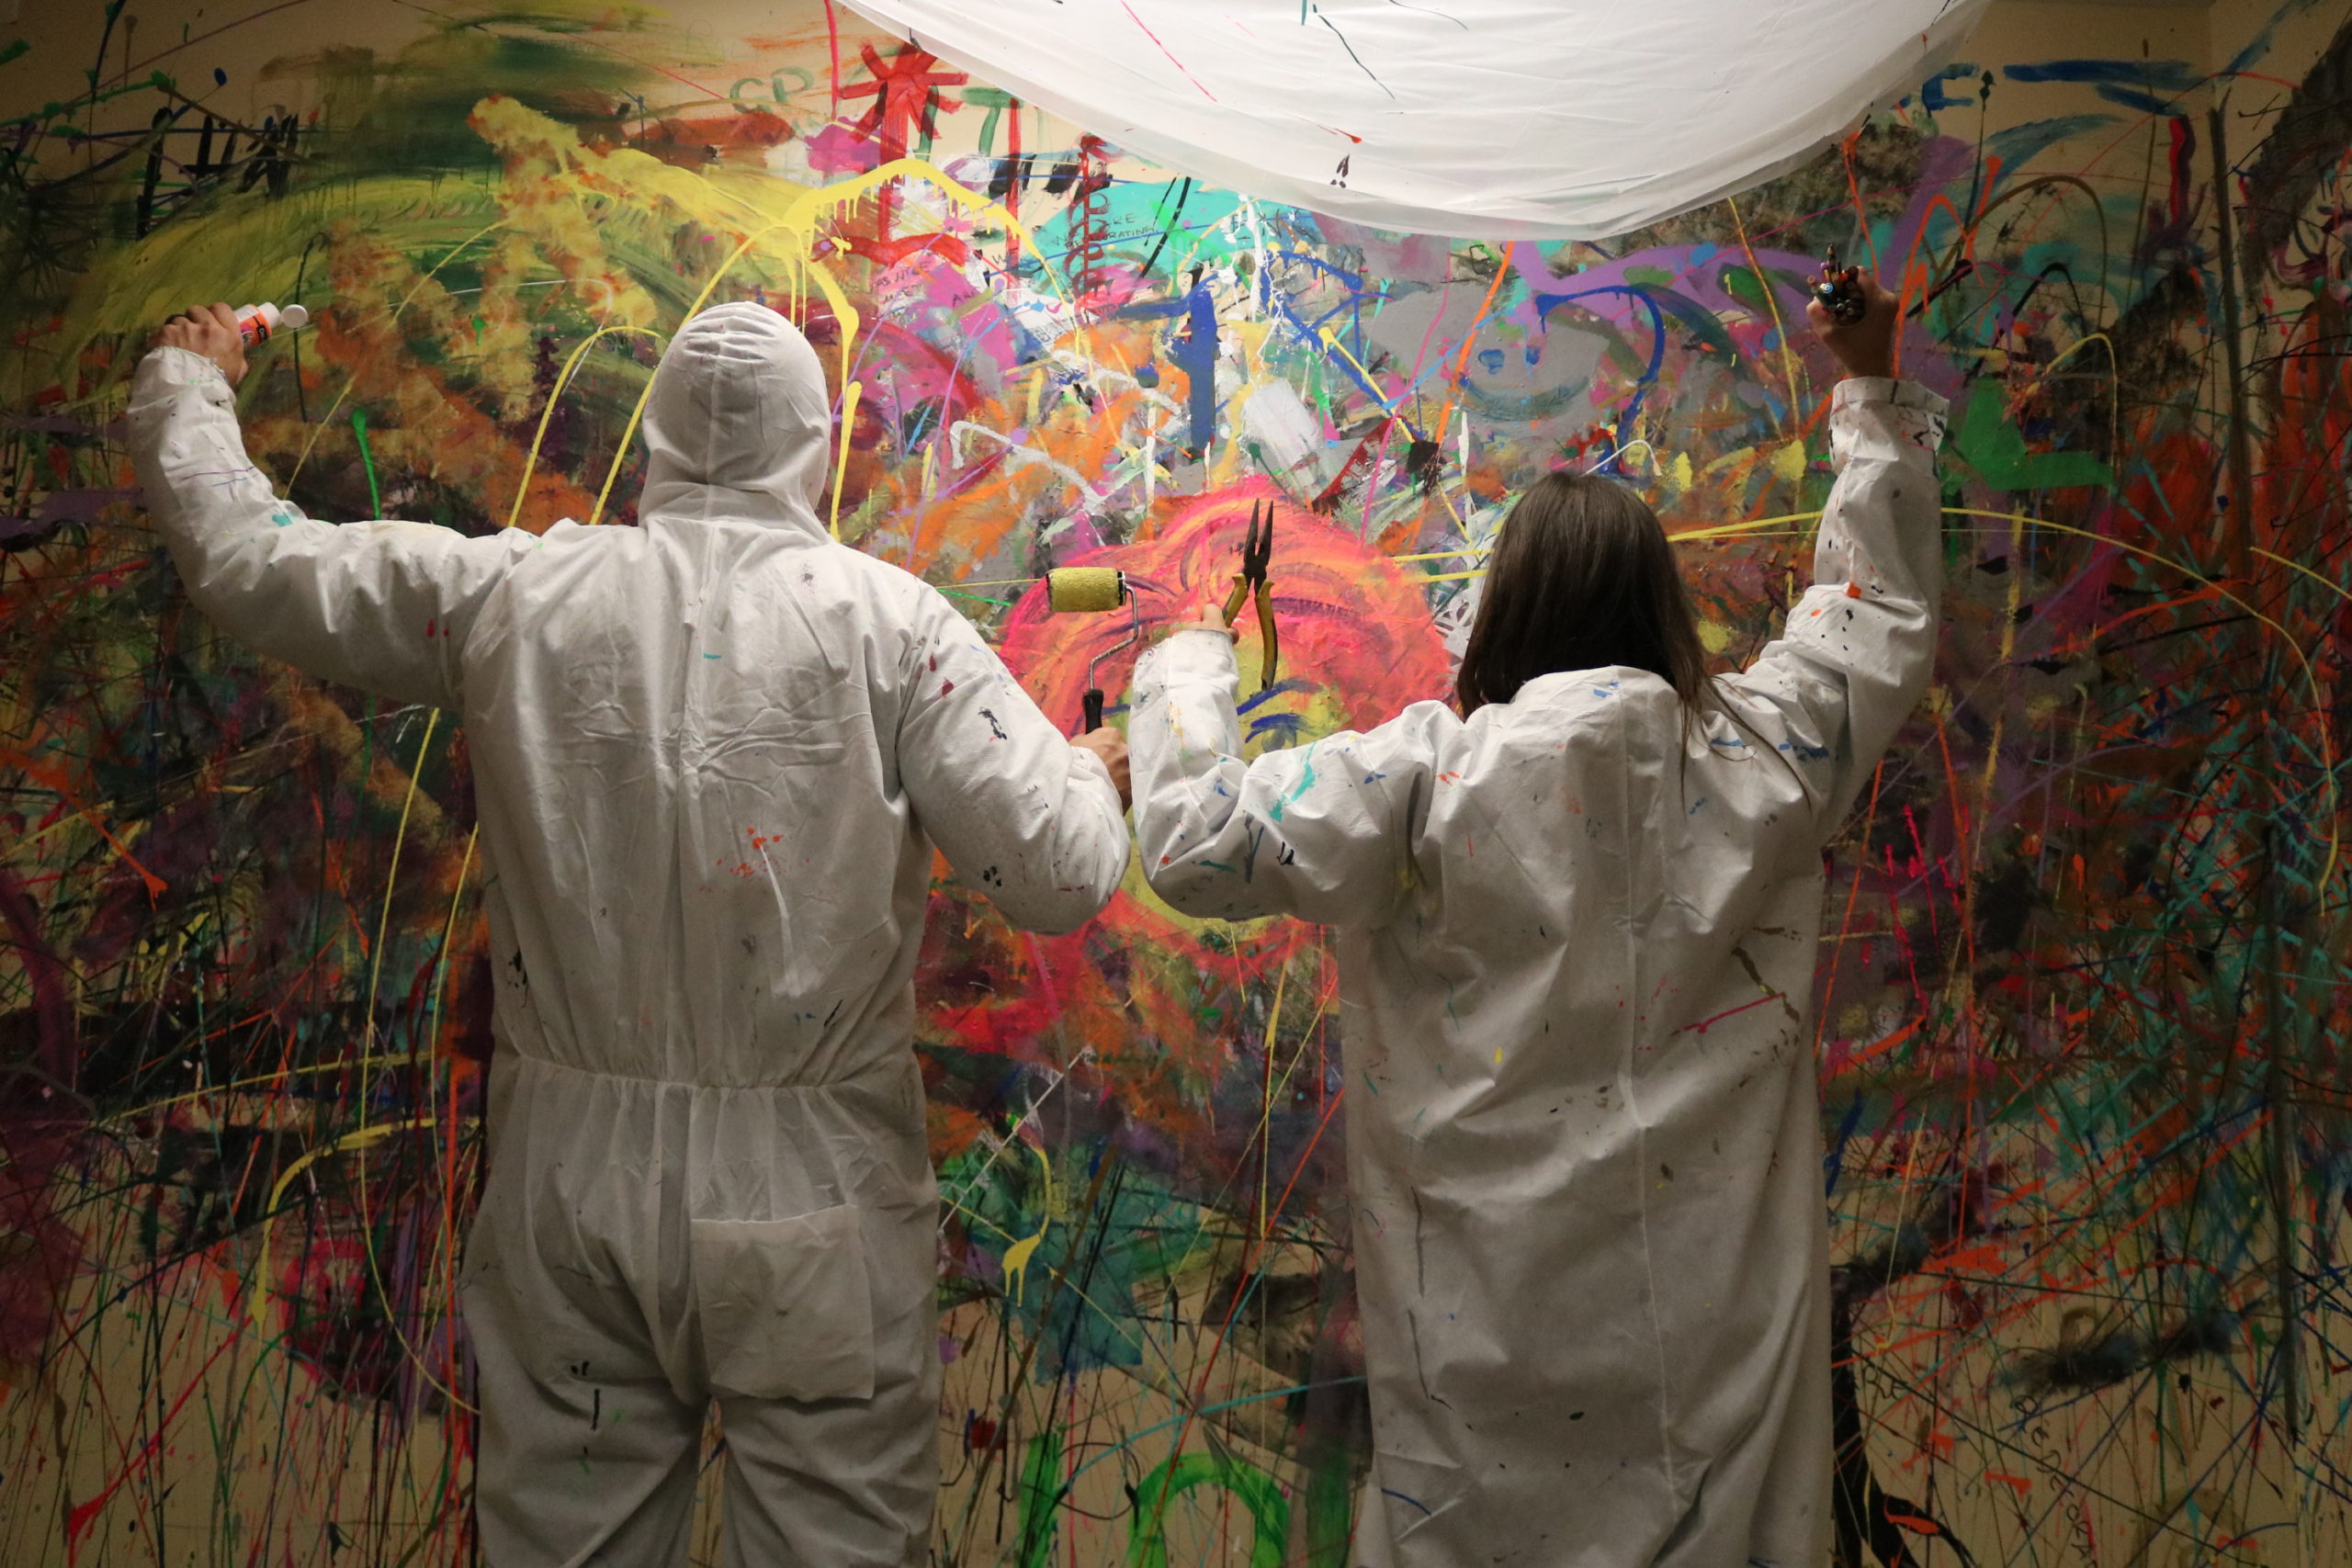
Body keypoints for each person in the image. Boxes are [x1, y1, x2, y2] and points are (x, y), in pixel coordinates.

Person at [130, 301, 1132, 1567]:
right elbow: (1058, 870)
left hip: (569, 1189)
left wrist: (185, 381)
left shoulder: (518, 594)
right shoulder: (893, 628)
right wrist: (1095, 770)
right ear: (811, 449)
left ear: (656, 437)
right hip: (813, 1192)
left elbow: (256, 564)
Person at [1129, 276, 1945, 1567]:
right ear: (1659, 613)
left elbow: (1189, 842)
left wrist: (1185, 660)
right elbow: (1876, 620)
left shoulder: (1416, 786)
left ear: (1501, 614)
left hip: (1473, 1390)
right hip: (1709, 1390)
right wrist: (1871, 386)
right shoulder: (1756, 760)